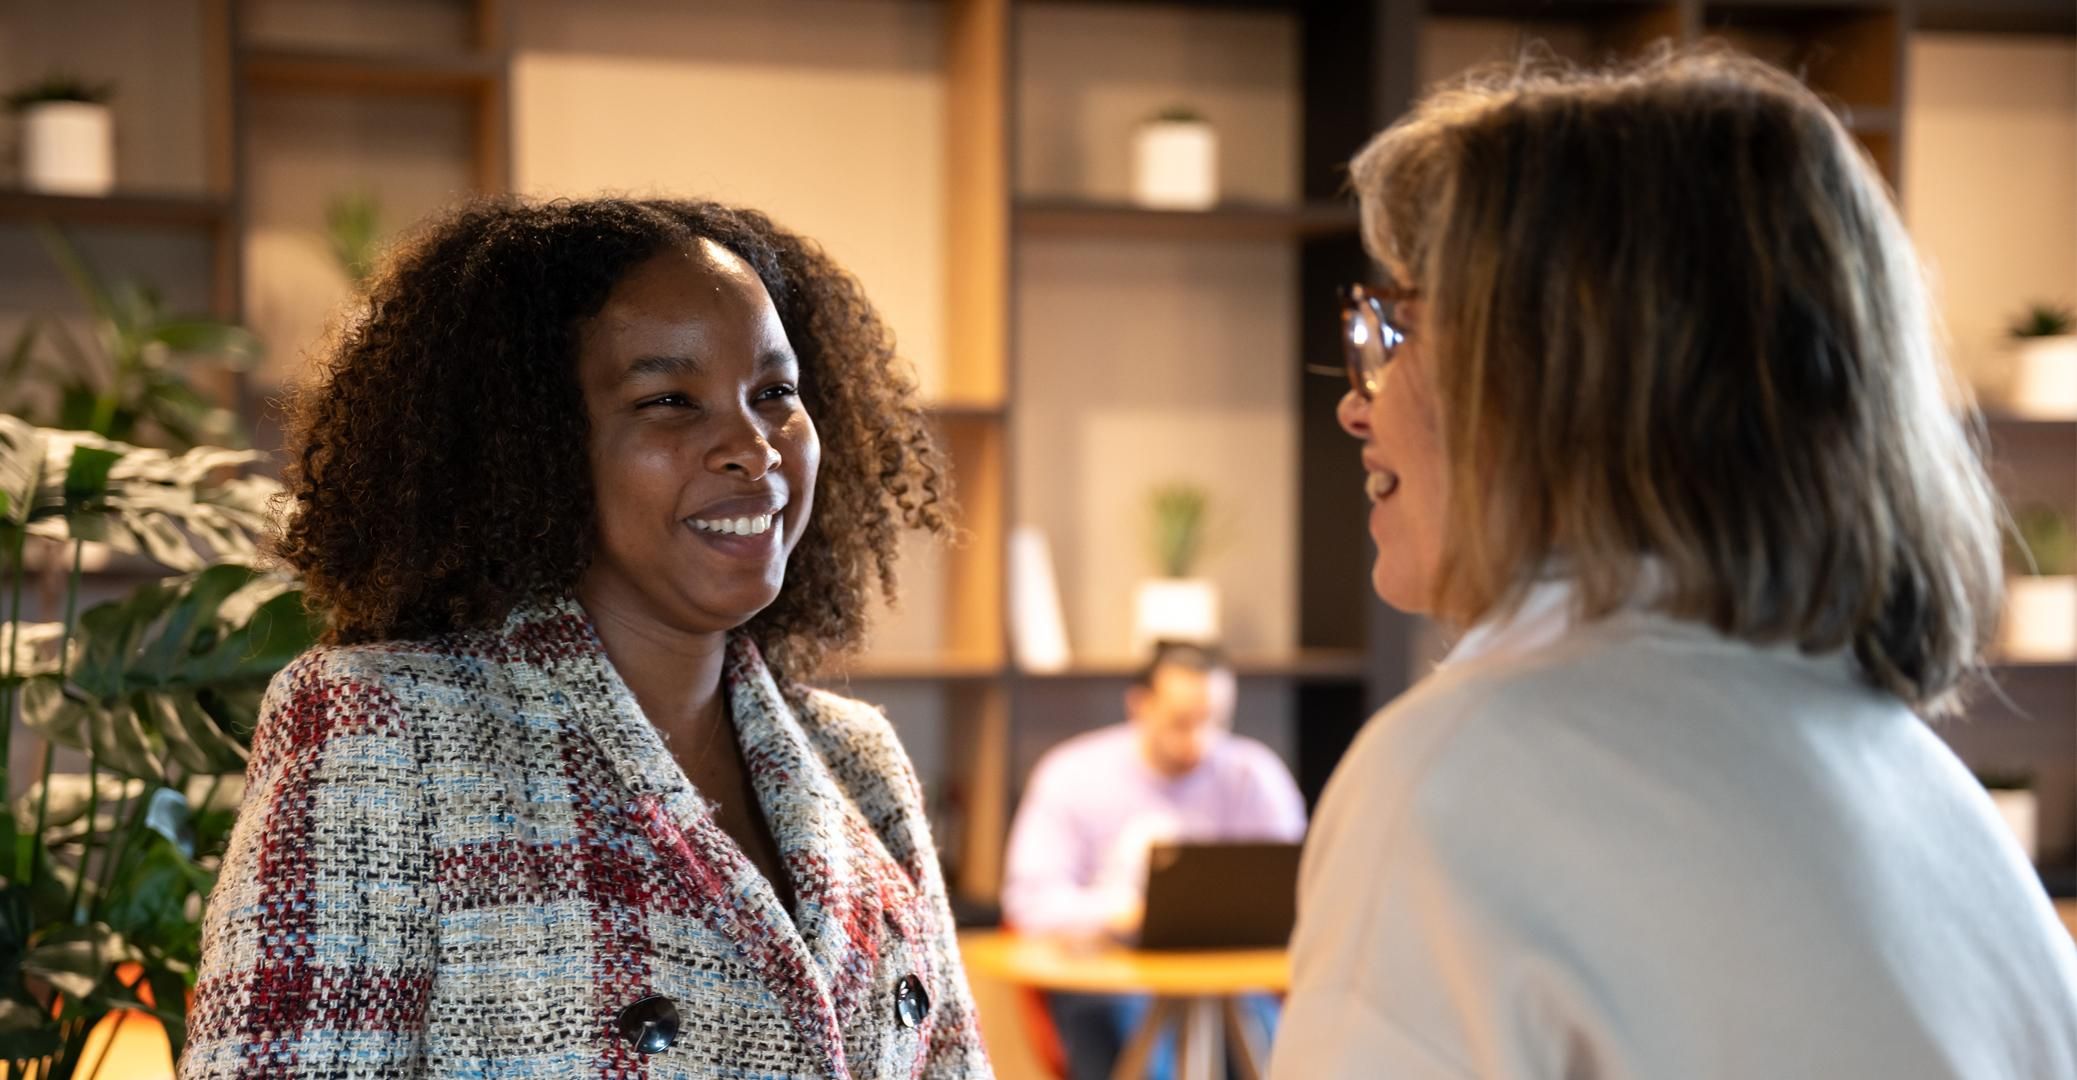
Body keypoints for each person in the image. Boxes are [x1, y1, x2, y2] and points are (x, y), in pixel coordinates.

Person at [1273, 48, 2077, 1080]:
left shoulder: (1459, 777)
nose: (1354, 401)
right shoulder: (1935, 806)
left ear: (1556, 372)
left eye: (1397, 330)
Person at [181, 197, 990, 1078]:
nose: (753, 448)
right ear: (536, 447)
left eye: (774, 394)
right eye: (669, 400)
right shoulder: (385, 730)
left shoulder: (857, 761)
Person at [1004, 640, 1305, 1080]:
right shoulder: (1071, 775)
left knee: (1284, 1050)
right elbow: (1029, 902)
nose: (1197, 741)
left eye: (1213, 722)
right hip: (1106, 982)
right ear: (1140, 706)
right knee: (1135, 1045)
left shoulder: (1253, 777)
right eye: (1181, 723)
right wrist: (1122, 916)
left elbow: (1295, 889)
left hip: (1230, 982)